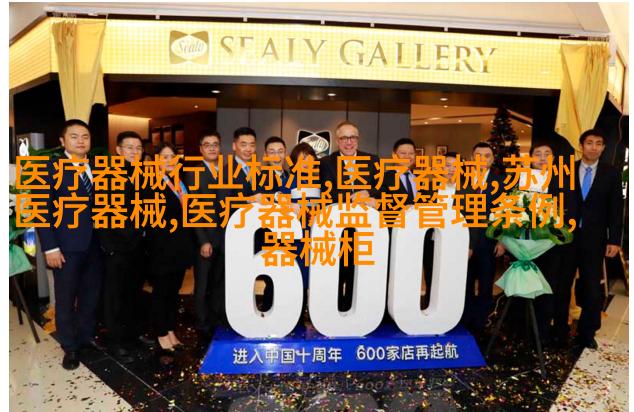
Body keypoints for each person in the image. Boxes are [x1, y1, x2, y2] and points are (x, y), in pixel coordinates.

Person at [36, 119, 104, 370]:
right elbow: (41, 210)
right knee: (66, 298)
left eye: (85, 136)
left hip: (96, 246)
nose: (81, 141)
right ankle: (70, 346)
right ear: (62, 141)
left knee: (90, 295)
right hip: (65, 247)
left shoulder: (97, 167)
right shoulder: (49, 169)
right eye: (74, 136)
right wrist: (50, 248)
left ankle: (85, 337)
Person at [555, 129, 623, 349]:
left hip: (594, 240)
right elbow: (555, 201)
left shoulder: (611, 174)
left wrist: (614, 240)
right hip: (566, 238)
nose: (594, 147)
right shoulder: (565, 170)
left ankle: (586, 334)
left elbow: (616, 209)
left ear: (603, 148)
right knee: (562, 286)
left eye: (598, 143)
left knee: (592, 289)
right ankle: (559, 331)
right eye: (590, 143)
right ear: (581, 146)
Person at [319, 121, 380, 311]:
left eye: (352, 137)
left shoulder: (372, 160)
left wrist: (369, 193)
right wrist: (354, 197)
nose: (349, 142)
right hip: (337, 227)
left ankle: (356, 308)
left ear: (358, 139)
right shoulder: (326, 162)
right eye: (344, 138)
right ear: (337, 141)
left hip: (365, 228)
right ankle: (335, 309)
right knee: (337, 270)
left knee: (360, 270)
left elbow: (381, 188)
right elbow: (327, 192)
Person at [97, 131, 146, 364]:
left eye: (138, 148)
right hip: (117, 248)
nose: (134, 152)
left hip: (138, 247)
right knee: (115, 297)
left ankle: (133, 336)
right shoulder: (109, 176)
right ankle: (116, 342)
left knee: (133, 294)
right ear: (118, 150)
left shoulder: (142, 175)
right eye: (129, 147)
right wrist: (110, 247)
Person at [146, 142, 195, 352]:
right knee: (161, 293)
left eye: (172, 156)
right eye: (164, 157)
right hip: (162, 249)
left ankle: (171, 330)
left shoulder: (179, 182)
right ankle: (161, 333)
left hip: (180, 248)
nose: (168, 160)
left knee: (174, 292)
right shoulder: (151, 183)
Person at [461, 142, 506, 335]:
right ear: (472, 158)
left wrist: (502, 240)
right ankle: (465, 322)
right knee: (465, 283)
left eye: (487, 156)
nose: (482, 159)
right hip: (465, 243)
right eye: (478, 155)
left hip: (489, 243)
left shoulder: (501, 183)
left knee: (486, 285)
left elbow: (505, 213)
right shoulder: (462, 182)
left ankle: (482, 324)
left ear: (492, 159)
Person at [186, 131, 226, 341]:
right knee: (202, 285)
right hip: (206, 239)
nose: (212, 148)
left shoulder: (225, 172)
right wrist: (203, 241)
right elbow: (193, 209)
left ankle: (215, 318)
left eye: (215, 144)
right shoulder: (194, 173)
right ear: (201, 149)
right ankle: (201, 323)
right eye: (207, 144)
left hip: (223, 239)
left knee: (217, 284)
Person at [277, 142, 321, 313]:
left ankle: (309, 312)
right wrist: (288, 205)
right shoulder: (288, 182)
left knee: (314, 277)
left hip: (316, 237)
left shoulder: (320, 182)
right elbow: (278, 204)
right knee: (296, 276)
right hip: (296, 239)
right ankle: (293, 313)